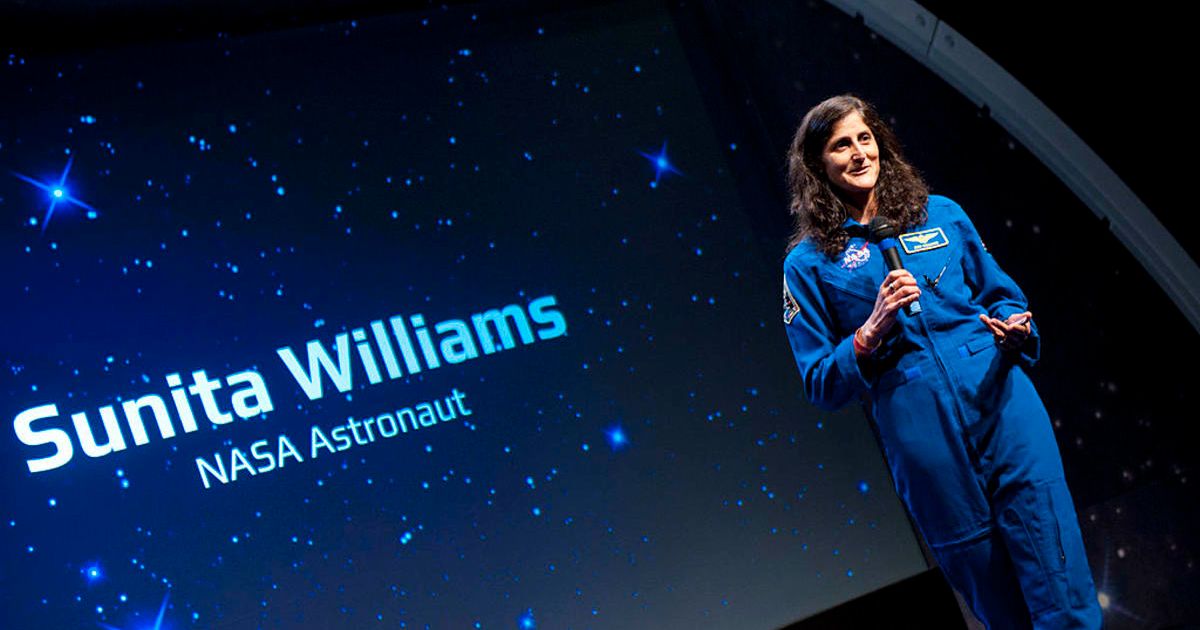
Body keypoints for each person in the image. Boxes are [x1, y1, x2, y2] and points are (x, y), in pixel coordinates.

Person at [780, 94, 1102, 629]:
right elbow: (819, 381)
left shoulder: (942, 214)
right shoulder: (808, 264)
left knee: (1060, 579)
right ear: (818, 164)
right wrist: (869, 331)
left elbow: (1003, 297)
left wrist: (1016, 326)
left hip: (1000, 402)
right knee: (996, 599)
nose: (859, 153)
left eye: (865, 138)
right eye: (841, 145)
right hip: (922, 432)